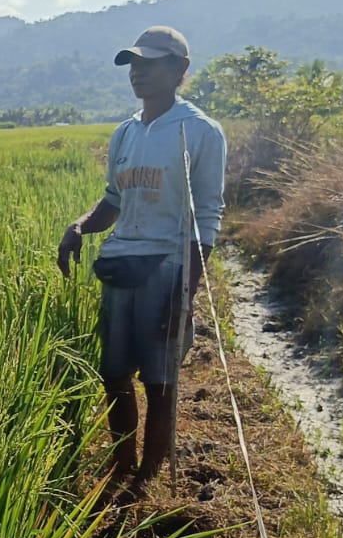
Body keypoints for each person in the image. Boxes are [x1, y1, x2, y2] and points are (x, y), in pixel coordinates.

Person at [56, 26, 226, 502]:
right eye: (133, 64)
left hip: (166, 266)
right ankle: (122, 465)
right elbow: (114, 199)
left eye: (150, 63)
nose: (138, 72)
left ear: (180, 70)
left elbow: (207, 217)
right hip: (120, 265)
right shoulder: (125, 133)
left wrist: (185, 293)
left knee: (160, 381)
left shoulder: (200, 132)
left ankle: (148, 477)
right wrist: (81, 226)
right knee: (114, 375)